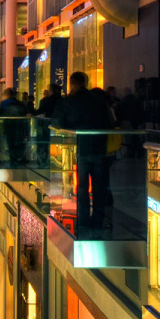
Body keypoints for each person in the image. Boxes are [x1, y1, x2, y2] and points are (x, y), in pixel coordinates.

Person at [51, 72, 117, 234]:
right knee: (99, 186)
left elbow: (57, 123)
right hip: (99, 147)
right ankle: (98, 220)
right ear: (85, 82)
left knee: (81, 187)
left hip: (79, 149)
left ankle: (83, 220)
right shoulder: (98, 100)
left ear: (72, 84)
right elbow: (110, 122)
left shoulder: (68, 102)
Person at [0, 87, 29, 166]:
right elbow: (24, 113)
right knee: (20, 142)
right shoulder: (19, 103)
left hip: (8, 126)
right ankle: (21, 158)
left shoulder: (4, 104)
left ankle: (13, 160)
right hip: (19, 126)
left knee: (10, 143)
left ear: (6, 95)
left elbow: (0, 115)